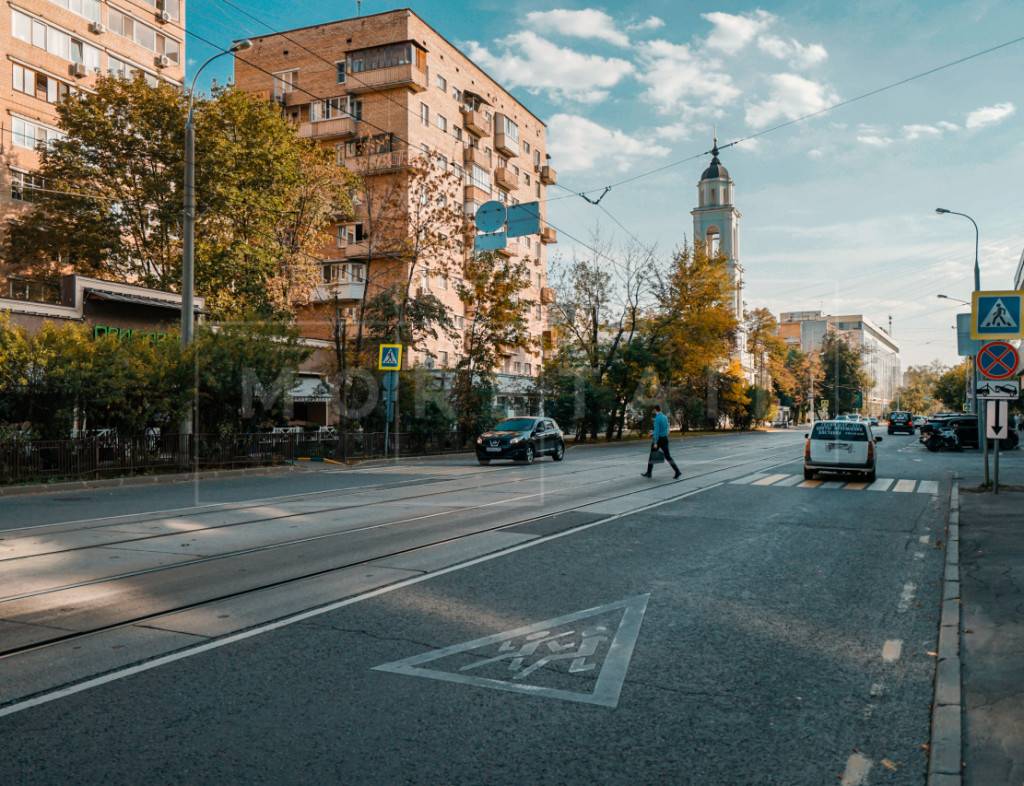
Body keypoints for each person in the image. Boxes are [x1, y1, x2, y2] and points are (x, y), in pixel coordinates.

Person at [642, 404, 681, 479]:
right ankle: (677, 471)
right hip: (665, 439)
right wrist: (653, 433)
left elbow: (657, 431)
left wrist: (656, 442)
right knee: (668, 456)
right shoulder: (665, 417)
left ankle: (649, 473)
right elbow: (666, 429)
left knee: (651, 456)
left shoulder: (657, 418)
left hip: (658, 439)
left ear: (655, 410)